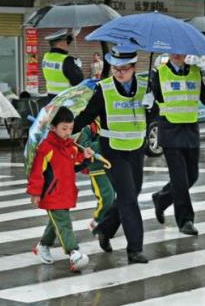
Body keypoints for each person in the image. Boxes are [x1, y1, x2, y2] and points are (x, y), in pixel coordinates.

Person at [73, 46, 149, 264]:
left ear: (134, 68)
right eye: (116, 69)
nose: (119, 73)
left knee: (133, 193)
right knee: (128, 198)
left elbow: (155, 111)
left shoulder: (146, 87)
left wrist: (152, 105)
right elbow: (87, 115)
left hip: (136, 148)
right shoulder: (103, 89)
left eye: (124, 69)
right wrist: (66, 128)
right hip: (113, 151)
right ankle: (135, 249)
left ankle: (104, 229)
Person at [150, 53, 205, 235]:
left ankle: (161, 199)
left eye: (181, 50)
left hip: (190, 130)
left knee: (192, 176)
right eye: (173, 50)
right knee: (180, 179)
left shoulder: (196, 72)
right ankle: (185, 220)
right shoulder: (159, 73)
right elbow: (157, 98)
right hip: (170, 130)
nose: (177, 54)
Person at [27, 106, 94, 272]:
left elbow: (74, 165)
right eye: (64, 129)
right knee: (64, 224)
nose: (68, 132)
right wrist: (35, 193)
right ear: (53, 127)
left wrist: (84, 157)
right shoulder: (45, 148)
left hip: (66, 191)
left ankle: (43, 245)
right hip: (51, 194)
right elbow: (37, 172)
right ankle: (74, 252)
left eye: (70, 128)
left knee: (56, 222)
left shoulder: (71, 147)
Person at [77, 119, 115, 234]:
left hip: (113, 164)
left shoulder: (110, 121)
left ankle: (104, 224)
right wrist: (104, 142)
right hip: (97, 167)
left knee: (113, 198)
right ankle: (97, 221)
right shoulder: (88, 127)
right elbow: (83, 147)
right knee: (106, 196)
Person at [41, 29, 83, 99]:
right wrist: (78, 67)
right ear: (60, 44)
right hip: (65, 99)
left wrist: (72, 36)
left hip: (51, 98)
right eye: (66, 42)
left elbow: (58, 50)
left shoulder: (46, 57)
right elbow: (78, 81)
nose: (67, 44)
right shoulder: (67, 60)